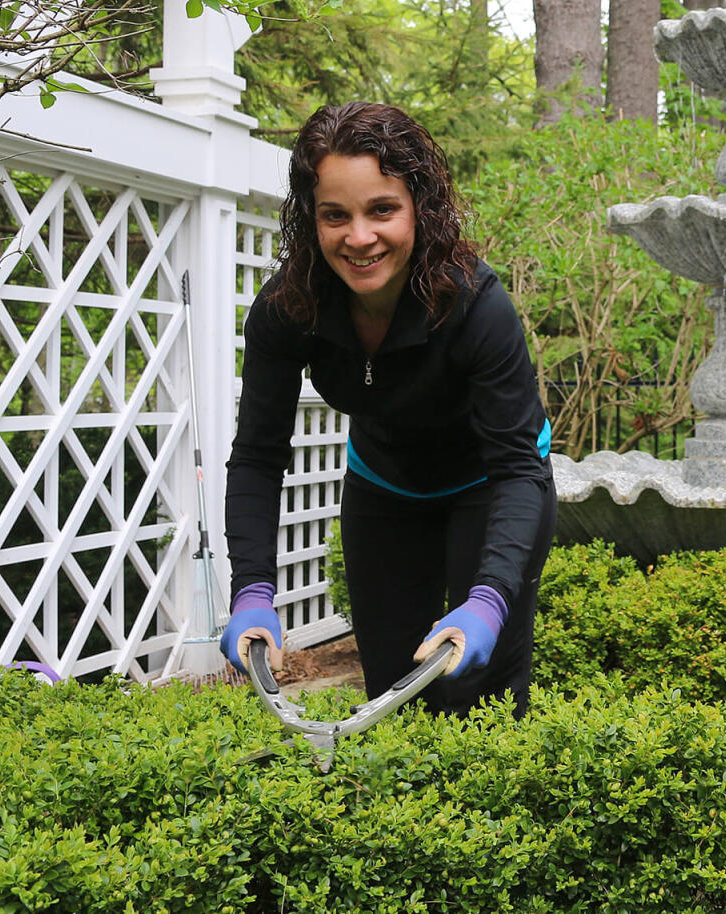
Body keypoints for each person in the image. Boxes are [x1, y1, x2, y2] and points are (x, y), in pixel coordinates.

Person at [220, 102, 556, 717]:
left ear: (419, 210)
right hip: (384, 489)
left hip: (492, 484)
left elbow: (518, 468)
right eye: (334, 215)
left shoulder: (475, 304)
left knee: (479, 700)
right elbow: (257, 458)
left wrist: (487, 601)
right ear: (310, 220)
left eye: (382, 209)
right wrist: (252, 591)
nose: (360, 237)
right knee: (391, 701)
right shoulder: (287, 308)